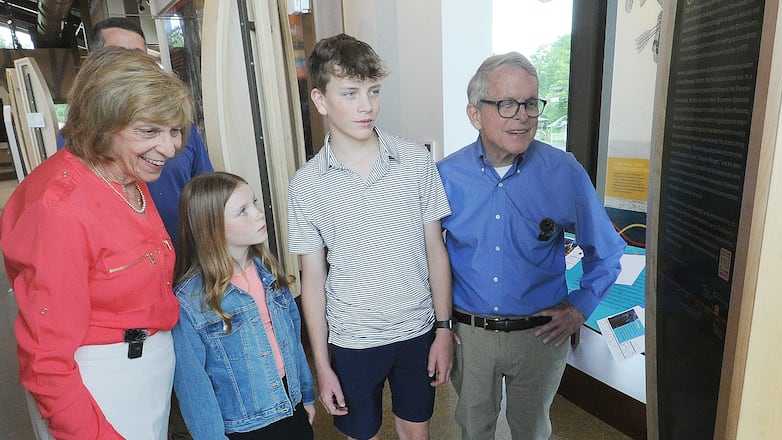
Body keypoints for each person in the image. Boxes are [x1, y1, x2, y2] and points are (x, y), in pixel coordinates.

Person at [0, 46, 193, 439]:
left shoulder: (124, 170)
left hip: (147, 370)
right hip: (102, 382)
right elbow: (46, 361)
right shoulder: (59, 207)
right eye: (149, 131)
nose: (171, 148)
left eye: (174, 130)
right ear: (102, 124)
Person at [437, 52, 626, 440]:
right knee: (474, 429)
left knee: (533, 430)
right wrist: (437, 326)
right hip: (470, 336)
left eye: (530, 103)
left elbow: (606, 251)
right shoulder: (445, 176)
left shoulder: (564, 171)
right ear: (475, 114)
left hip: (541, 336)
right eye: (507, 104)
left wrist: (580, 307)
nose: (522, 115)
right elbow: (424, 256)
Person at [287, 33, 453, 440]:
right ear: (321, 100)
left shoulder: (415, 161)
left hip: (417, 330)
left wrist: (444, 330)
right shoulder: (306, 184)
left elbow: (436, 250)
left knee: (417, 432)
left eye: (373, 91)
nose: (367, 105)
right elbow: (313, 279)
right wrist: (322, 366)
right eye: (350, 93)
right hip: (352, 339)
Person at [171, 172, 315, 439]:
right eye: (243, 211)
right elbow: (193, 385)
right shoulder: (190, 300)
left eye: (255, 203)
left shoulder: (268, 272)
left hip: (290, 405)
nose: (259, 214)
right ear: (211, 227)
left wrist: (306, 394)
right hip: (244, 426)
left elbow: (293, 340)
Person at [87, 17, 215, 247]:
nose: (166, 149)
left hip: (186, 263)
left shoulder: (179, 128)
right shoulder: (79, 140)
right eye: (118, 55)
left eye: (139, 56)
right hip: (124, 269)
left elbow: (207, 194)